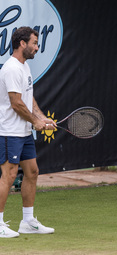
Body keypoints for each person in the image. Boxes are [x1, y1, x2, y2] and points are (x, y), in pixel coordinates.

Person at [0, 27, 57, 238]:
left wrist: (40, 118)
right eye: (34, 43)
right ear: (22, 44)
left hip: (24, 132)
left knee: (32, 172)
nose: (37, 47)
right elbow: (16, 104)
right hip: (9, 131)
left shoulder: (25, 67)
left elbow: (28, 98)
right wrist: (35, 122)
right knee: (9, 175)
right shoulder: (12, 68)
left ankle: (28, 221)